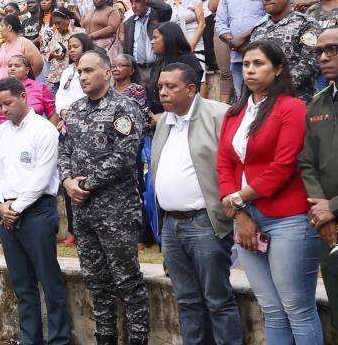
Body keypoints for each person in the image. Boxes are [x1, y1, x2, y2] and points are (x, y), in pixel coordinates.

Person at [217, 41, 324, 344]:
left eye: (259, 64)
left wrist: (239, 199)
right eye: (247, 64)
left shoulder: (293, 108)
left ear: (278, 70)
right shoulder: (234, 113)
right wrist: (239, 212)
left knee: (296, 308)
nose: (250, 70)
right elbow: (223, 163)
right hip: (246, 218)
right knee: (271, 309)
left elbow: (283, 165)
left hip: (288, 218)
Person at [59, 50, 149, 345]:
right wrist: (67, 181)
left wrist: (86, 183)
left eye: (89, 70)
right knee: (96, 282)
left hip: (116, 212)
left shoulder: (124, 108)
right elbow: (64, 150)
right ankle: (105, 339)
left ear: (107, 73)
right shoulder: (74, 110)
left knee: (128, 281)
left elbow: (126, 155)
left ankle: (137, 339)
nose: (83, 76)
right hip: (83, 212)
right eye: (79, 71)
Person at [150, 63, 243, 345]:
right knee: (187, 300)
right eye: (160, 88)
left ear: (191, 89)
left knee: (217, 300)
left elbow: (235, 165)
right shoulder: (164, 121)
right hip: (172, 225)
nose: (163, 93)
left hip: (205, 222)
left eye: (171, 87)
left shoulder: (219, 115)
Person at [0, 78, 72, 345]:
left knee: (49, 281)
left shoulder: (43, 130)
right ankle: (30, 338)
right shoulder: (1, 132)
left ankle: (60, 339)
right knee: (22, 283)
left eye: (8, 103)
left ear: (23, 97)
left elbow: (42, 177)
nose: (3, 109)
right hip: (7, 211)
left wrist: (14, 207)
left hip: (36, 211)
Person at [300, 27, 338, 332]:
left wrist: (333, 207)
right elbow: (306, 163)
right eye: (320, 52)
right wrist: (323, 214)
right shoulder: (317, 103)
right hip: (329, 225)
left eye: (333, 50)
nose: (323, 58)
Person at [250, 0, 321, 102]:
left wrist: (276, 89)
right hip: (263, 103)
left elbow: (311, 63)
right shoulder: (258, 30)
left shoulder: (306, 24)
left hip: (296, 100)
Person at [147, 22, 204, 117]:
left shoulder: (187, 61)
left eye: (155, 37)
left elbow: (190, 97)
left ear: (168, 39)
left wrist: (164, 116)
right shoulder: (158, 64)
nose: (151, 41)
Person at [120, 0, 174, 84]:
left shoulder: (157, 15)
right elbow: (128, 49)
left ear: (146, 0)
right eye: (131, 2)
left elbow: (166, 9)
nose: (133, 6)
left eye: (138, 1)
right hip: (138, 71)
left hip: (157, 68)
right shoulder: (129, 23)